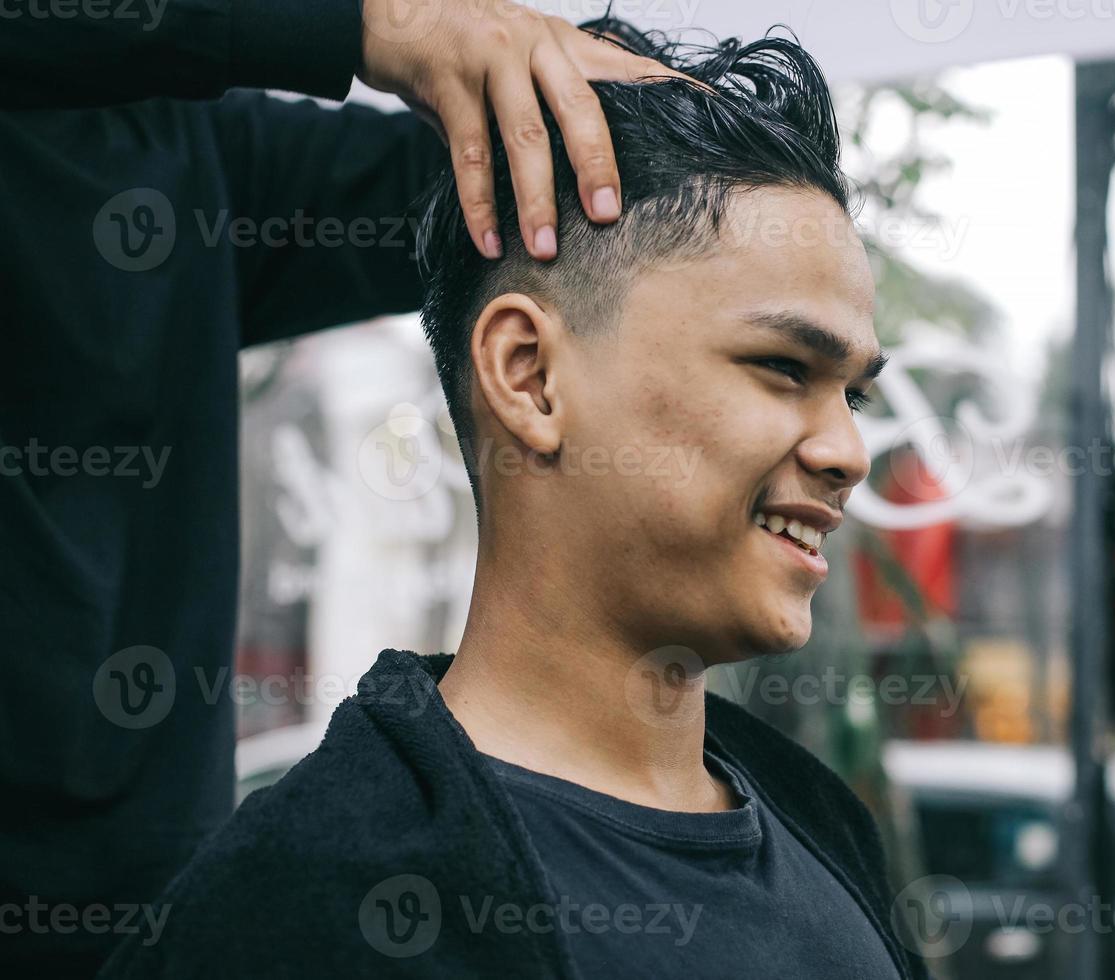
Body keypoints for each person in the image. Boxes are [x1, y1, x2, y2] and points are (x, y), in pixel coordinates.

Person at [96, 20, 931, 979]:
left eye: (854, 394)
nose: (849, 452)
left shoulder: (828, 835)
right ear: (529, 376)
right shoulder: (308, 913)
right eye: (784, 367)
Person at [0, 2, 687, 974]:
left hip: (151, 907)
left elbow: (503, 179)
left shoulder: (195, 149)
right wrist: (363, 25)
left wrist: (616, 101)